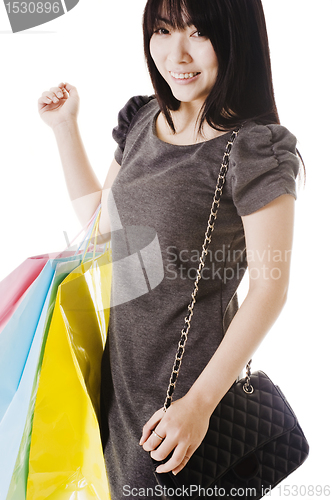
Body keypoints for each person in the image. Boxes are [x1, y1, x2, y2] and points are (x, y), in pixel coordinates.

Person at [37, 0, 302, 498]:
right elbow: (105, 234)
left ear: (235, 38)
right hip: (120, 387)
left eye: (198, 33)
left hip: (184, 405)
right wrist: (65, 128)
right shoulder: (144, 121)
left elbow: (272, 288)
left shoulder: (252, 147)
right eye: (163, 29)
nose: (175, 52)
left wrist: (198, 406)